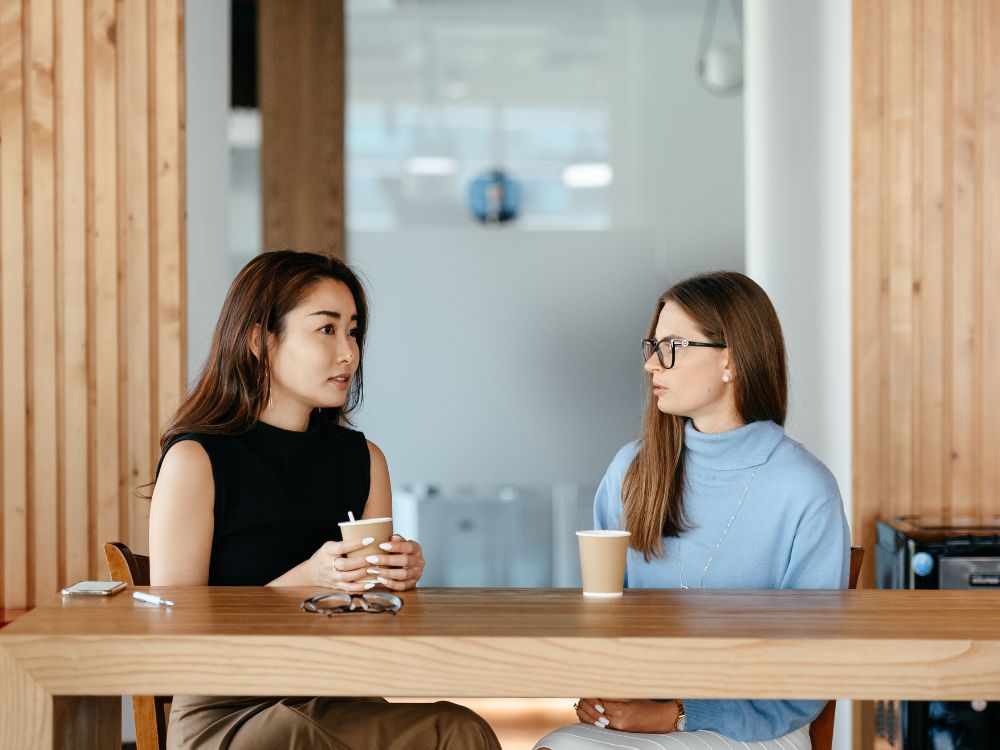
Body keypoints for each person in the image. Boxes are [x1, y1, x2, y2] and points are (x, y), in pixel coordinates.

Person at [150, 250, 501, 750]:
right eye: (326, 329)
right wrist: (305, 581)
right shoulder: (197, 460)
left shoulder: (364, 460)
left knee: (461, 727)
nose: (349, 353)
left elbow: (378, 620)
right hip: (227, 711)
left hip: (340, 696)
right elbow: (175, 628)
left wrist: (399, 581)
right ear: (258, 340)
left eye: (353, 331)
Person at [534, 271, 849, 750]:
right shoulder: (631, 470)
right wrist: (600, 687)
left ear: (732, 359)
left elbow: (809, 674)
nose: (651, 366)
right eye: (651, 346)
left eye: (673, 346)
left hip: (760, 730)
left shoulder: (804, 488)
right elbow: (601, 614)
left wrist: (678, 715)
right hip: (640, 718)